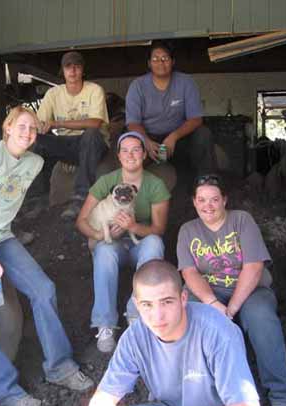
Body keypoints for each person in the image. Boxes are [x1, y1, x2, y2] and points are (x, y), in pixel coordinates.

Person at [0, 106, 93, 406]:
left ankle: (59, 366)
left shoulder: (34, 163)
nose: (28, 133)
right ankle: (5, 392)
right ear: (8, 127)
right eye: (21, 126)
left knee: (44, 289)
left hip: (1, 237)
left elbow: (5, 204)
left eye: (33, 129)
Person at [87, 259, 261, 406]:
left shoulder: (217, 331)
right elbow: (102, 401)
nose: (157, 316)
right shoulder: (134, 337)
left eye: (167, 302)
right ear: (137, 304)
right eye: (147, 304)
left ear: (183, 298)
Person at [177, 174, 286, 406]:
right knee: (190, 317)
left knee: (262, 319)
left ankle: (281, 395)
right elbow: (189, 273)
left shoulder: (241, 220)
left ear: (224, 200)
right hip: (209, 292)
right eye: (202, 200)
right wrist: (212, 303)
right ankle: (201, 394)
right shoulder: (188, 230)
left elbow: (253, 267)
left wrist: (230, 309)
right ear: (194, 202)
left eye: (214, 199)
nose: (208, 205)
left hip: (250, 290)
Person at [76, 132, 170, 353]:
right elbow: (81, 221)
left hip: (140, 243)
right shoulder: (107, 181)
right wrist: (100, 236)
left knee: (155, 242)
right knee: (104, 251)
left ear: (144, 154)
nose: (131, 155)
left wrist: (133, 227)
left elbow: (159, 228)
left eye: (136, 149)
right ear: (118, 156)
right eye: (125, 150)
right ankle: (105, 323)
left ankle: (137, 313)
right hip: (113, 243)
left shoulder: (155, 185)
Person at [33, 51, 110, 219]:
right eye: (68, 66)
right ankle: (37, 198)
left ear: (83, 70)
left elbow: (95, 123)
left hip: (94, 143)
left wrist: (57, 123)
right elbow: (38, 123)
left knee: (90, 134)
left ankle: (80, 198)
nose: (73, 70)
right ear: (62, 70)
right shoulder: (53, 93)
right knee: (35, 140)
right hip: (68, 143)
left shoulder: (94, 90)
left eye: (77, 66)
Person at [125, 40, 215, 176]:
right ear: (149, 63)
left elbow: (196, 119)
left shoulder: (186, 82)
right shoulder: (137, 86)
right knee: (128, 141)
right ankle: (128, 189)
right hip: (149, 137)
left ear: (172, 61)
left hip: (178, 137)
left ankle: (206, 184)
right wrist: (146, 142)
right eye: (155, 59)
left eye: (165, 58)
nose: (160, 63)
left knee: (203, 134)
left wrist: (173, 137)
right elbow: (132, 123)